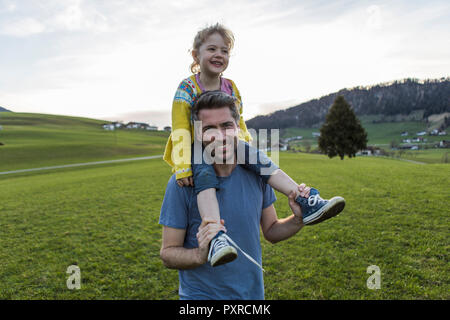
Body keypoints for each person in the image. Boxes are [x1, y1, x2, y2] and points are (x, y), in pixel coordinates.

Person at [162, 23, 345, 268]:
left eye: (225, 51)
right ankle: (216, 235)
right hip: (197, 147)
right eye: (212, 49)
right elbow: (180, 127)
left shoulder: (231, 87)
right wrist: (184, 166)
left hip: (231, 143)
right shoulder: (187, 88)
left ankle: (304, 200)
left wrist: (245, 146)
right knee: (204, 178)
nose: (219, 55)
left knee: (264, 163)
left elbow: (240, 120)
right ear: (196, 55)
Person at [160, 91, 313, 299]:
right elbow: (168, 253)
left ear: (238, 127)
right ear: (198, 135)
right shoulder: (182, 183)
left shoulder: (257, 174)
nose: (220, 136)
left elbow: (271, 231)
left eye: (226, 126)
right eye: (209, 129)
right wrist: (199, 254)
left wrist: (298, 219)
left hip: (252, 295)